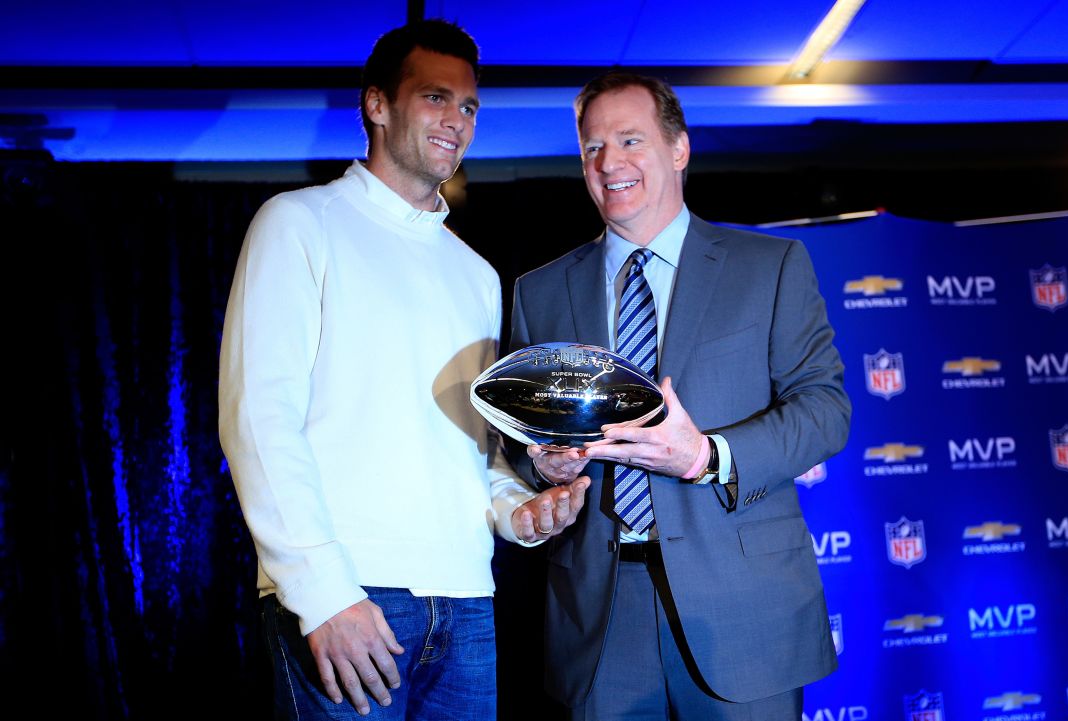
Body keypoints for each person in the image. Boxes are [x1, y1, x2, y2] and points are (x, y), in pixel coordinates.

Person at [218, 20, 588, 720]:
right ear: (377, 105)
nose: (457, 121)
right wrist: (325, 593)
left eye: (470, 107)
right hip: (350, 595)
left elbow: (472, 448)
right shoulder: (298, 223)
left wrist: (520, 510)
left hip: (469, 604)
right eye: (436, 98)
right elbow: (257, 421)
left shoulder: (475, 274)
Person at [507, 72, 850, 720]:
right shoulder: (540, 292)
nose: (609, 162)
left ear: (679, 148)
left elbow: (826, 410)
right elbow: (519, 443)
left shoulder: (769, 266)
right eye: (592, 147)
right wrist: (542, 464)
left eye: (630, 139)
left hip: (745, 611)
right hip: (601, 620)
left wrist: (707, 455)